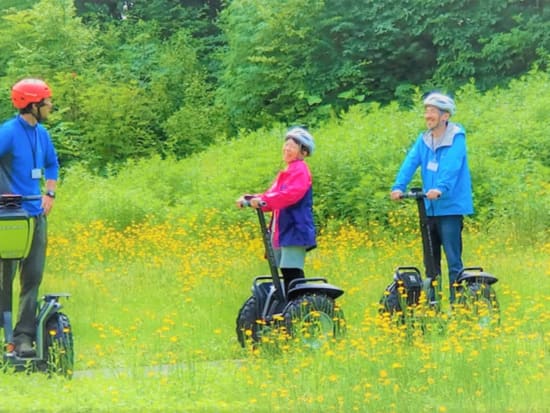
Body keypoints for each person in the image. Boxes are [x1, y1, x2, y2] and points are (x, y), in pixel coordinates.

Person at [390, 92, 473, 303]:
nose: (428, 115)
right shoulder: (424, 139)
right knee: (431, 262)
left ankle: (457, 305)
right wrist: (399, 186)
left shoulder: (456, 137)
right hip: (430, 208)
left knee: (453, 260)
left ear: (445, 116)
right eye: (426, 111)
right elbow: (410, 162)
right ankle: (433, 304)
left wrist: (441, 188)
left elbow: (452, 166)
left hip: (450, 207)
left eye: (433, 111)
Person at [0, 78, 59, 357]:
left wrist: (49, 193)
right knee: (4, 277)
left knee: (32, 277)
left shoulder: (42, 134)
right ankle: (6, 333)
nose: (50, 106)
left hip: (36, 215)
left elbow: (52, 164)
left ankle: (23, 337)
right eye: (47, 102)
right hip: (10, 218)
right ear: (33, 105)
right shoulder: (9, 132)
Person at [237, 127, 316, 294]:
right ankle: (291, 305)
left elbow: (289, 195)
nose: (287, 149)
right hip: (283, 228)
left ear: (303, 152)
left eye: (292, 147)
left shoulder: (300, 170)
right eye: (286, 145)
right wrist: (251, 199)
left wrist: (263, 201)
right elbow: (271, 196)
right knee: (285, 270)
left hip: (295, 228)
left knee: (291, 270)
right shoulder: (288, 171)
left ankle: (300, 304)